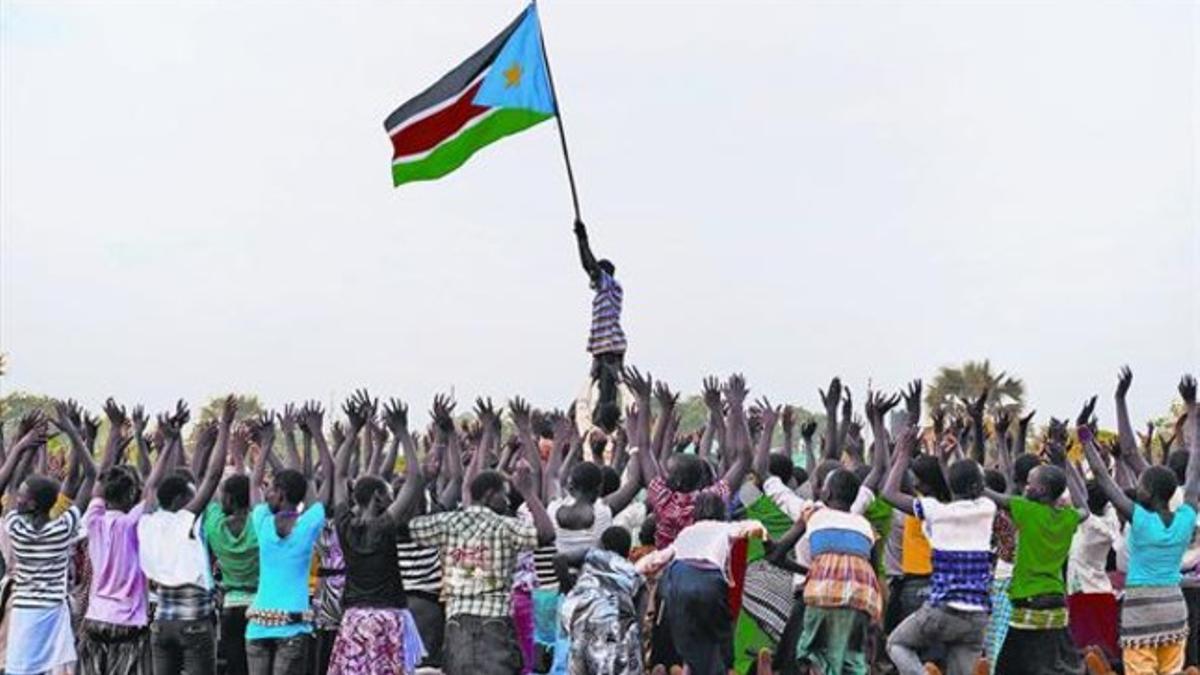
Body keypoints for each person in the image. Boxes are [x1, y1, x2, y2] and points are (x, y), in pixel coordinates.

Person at [1082, 376, 1200, 675]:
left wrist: (1085, 438)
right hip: (1175, 608)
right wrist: (1191, 407)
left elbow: (1103, 478)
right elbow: (1196, 465)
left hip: (1141, 613)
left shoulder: (1141, 520)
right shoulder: (1186, 517)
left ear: (1146, 492)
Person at [408, 465, 555, 675]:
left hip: (457, 628)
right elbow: (547, 534)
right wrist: (529, 493)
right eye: (504, 495)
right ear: (489, 495)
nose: (507, 501)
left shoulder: (448, 522)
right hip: (495, 629)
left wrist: (420, 483)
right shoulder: (506, 526)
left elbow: (405, 527)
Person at [327, 392, 428, 675]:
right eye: (388, 494)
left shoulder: (344, 524)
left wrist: (353, 431)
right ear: (378, 498)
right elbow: (416, 479)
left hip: (353, 620)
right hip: (386, 619)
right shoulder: (384, 527)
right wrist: (403, 433)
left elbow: (338, 474)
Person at [882, 428, 997, 675]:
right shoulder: (987, 508)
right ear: (979, 486)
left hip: (942, 611)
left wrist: (903, 454)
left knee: (896, 643)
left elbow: (889, 494)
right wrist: (950, 458)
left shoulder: (936, 511)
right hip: (977, 616)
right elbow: (963, 490)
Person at [986, 417, 1090, 675]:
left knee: (1011, 668)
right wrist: (1064, 465)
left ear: (1041, 490)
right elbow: (1085, 508)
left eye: (1029, 483)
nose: (1025, 486)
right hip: (1056, 601)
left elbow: (996, 496)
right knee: (1055, 664)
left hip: (1028, 601)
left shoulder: (1027, 510)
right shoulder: (1067, 517)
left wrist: (975, 484)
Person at [245, 399, 336, 675]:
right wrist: (317, 433)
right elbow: (329, 475)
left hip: (259, 626)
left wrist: (268, 443)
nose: (267, 492)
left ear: (281, 494)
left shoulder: (262, 521)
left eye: (271, 488)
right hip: (293, 629)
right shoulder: (308, 524)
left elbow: (252, 482)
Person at [137, 399, 227, 675]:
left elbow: (152, 483)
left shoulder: (148, 520)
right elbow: (212, 477)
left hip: (163, 623)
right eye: (190, 495)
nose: (195, 498)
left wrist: (169, 444)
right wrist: (225, 426)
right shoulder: (185, 522)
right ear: (179, 500)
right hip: (194, 623)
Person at [2, 406, 93, 675]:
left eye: (22, 495)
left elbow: (10, 482)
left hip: (24, 614)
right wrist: (74, 433)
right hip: (53, 615)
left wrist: (24, 446)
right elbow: (89, 475)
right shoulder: (63, 528)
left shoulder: (16, 528)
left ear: (29, 504)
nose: (17, 497)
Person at [637, 492, 767, 675]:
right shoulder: (725, 527)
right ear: (722, 512)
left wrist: (634, 572)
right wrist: (766, 538)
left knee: (687, 640)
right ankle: (728, 669)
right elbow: (751, 527)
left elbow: (660, 558)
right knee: (720, 635)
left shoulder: (686, 532)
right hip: (709, 583)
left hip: (677, 580)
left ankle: (684, 668)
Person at [784, 468, 882, 675]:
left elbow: (777, 554)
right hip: (861, 599)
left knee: (813, 655)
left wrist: (813, 571)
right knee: (852, 660)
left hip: (822, 595)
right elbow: (872, 571)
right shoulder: (866, 526)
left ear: (826, 494)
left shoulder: (813, 514)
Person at [204, 418, 271, 675]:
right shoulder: (259, 525)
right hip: (260, 607)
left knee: (236, 669)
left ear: (228, 498)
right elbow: (255, 496)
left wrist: (221, 448)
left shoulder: (216, 528)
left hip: (231, 609)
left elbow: (209, 484)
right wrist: (241, 459)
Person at [559, 526, 645, 675]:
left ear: (602, 544)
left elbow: (558, 559)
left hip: (583, 622)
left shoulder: (592, 555)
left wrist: (570, 590)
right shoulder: (634, 574)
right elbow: (639, 615)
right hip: (614, 630)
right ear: (627, 551)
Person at [574, 218, 627, 431]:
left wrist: (581, 238)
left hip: (609, 348)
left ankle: (605, 429)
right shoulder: (605, 292)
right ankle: (598, 423)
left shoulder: (609, 285)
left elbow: (589, 263)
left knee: (607, 397)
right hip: (602, 348)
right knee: (599, 392)